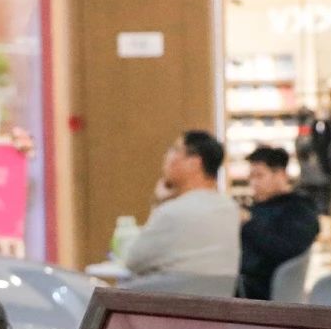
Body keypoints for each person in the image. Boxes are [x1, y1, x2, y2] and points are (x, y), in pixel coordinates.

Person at [106, 128, 241, 292]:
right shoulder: (230, 209)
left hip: (165, 302)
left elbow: (133, 261)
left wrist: (159, 205)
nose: (166, 157)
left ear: (194, 162)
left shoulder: (174, 212)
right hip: (215, 300)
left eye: (174, 150)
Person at [235, 143, 318, 301]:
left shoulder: (299, 209)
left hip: (261, 291)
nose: (253, 183)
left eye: (259, 176)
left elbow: (285, 248)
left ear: (280, 175)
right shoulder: (257, 208)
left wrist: (248, 224)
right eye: (251, 177)